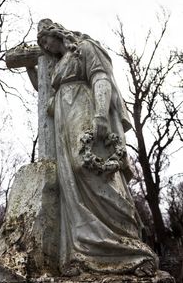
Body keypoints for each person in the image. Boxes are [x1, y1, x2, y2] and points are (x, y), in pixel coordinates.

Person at [37, 19, 158, 277]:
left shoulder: (83, 47)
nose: (45, 47)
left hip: (84, 108)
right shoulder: (58, 64)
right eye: (42, 46)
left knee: (87, 167)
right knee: (70, 179)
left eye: (45, 41)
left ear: (56, 34)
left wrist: (101, 114)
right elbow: (44, 88)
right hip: (64, 119)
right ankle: (84, 250)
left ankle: (123, 239)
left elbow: (100, 76)